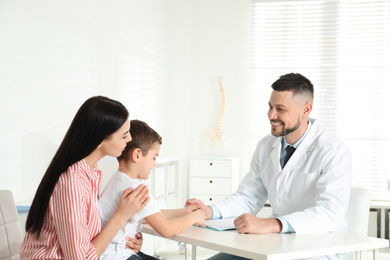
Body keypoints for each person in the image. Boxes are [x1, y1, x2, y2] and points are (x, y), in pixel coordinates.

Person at [186, 73, 352, 260]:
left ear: (306, 110)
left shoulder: (333, 151)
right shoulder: (266, 145)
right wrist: (210, 211)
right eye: (270, 107)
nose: (271, 115)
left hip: (318, 249)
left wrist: (272, 224)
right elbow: (248, 198)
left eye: (280, 109)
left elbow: (330, 214)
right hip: (274, 244)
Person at [20, 96, 150, 260]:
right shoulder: (72, 184)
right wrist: (120, 217)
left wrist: (126, 235)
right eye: (124, 136)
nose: (130, 139)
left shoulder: (92, 172)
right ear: (100, 140)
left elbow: (87, 232)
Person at [99, 119, 205, 260]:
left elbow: (150, 215)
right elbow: (166, 229)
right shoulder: (136, 189)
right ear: (137, 155)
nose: (154, 164)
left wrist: (182, 212)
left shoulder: (117, 180)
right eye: (154, 158)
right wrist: (194, 217)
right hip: (120, 256)